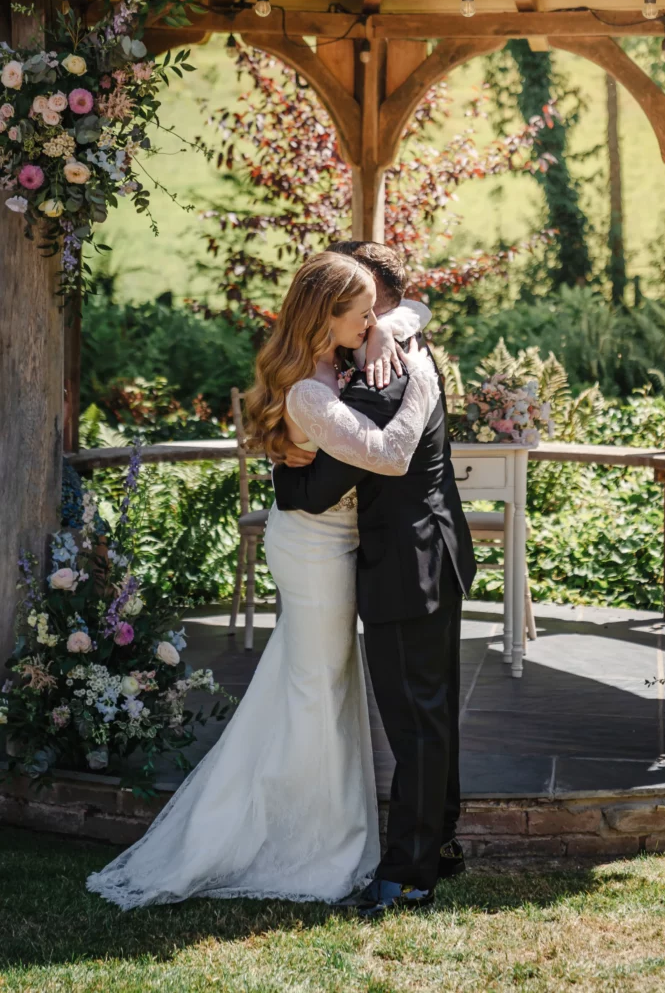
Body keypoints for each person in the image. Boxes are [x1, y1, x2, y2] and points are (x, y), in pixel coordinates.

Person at [86, 251, 437, 909]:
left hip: (329, 541)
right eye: (362, 311)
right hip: (314, 551)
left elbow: (412, 309)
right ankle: (304, 845)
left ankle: (316, 826)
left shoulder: (342, 349)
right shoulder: (309, 389)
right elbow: (389, 455)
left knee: (313, 688)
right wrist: (421, 381)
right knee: (316, 694)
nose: (373, 320)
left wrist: (392, 328)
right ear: (325, 315)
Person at [273, 241, 477, 918]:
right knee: (434, 708)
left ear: (377, 306)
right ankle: (439, 841)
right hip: (437, 551)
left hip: (403, 566)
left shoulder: (384, 372)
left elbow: (314, 491)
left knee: (414, 723)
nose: (359, 323)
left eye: (364, 308)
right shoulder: (405, 347)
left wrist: (287, 471)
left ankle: (407, 874)